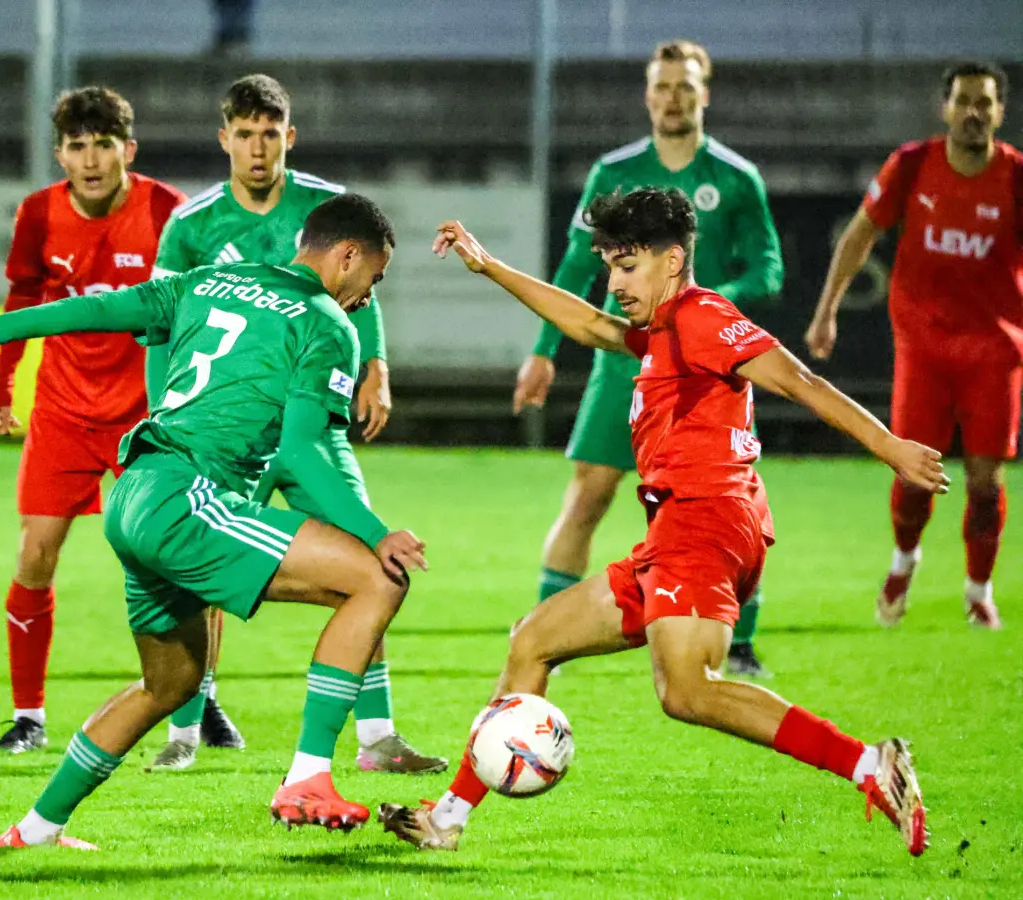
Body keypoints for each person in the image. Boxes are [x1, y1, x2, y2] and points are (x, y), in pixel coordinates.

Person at [378, 188, 942, 858]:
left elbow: (799, 381)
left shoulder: (703, 318)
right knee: (533, 640)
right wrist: (490, 265)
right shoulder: (662, 332)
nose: (615, 283)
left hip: (706, 523)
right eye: (611, 266)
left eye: (628, 266)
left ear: (673, 261)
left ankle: (869, 765)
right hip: (676, 531)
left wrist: (892, 449)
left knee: (686, 690)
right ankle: (446, 820)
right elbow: (587, 324)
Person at [0, 194, 427, 849]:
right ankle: (308, 776)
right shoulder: (325, 325)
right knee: (377, 578)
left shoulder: (207, 281)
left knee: (168, 684)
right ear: (346, 257)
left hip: (136, 495)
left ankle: (34, 830)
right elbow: (302, 454)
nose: (371, 294)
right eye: (376, 275)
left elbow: (93, 308)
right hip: (190, 501)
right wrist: (376, 532)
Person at [144, 72, 442, 774]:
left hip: (311, 418)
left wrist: (377, 367)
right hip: (227, 426)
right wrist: (165, 415)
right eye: (244, 133)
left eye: (269, 133)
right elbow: (163, 329)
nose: (257, 147)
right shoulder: (192, 224)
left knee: (372, 559)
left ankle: (377, 736)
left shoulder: (324, 208)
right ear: (225, 138)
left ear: (289, 137)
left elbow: (360, 298)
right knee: (196, 571)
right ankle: (185, 731)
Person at [514, 40, 784, 676]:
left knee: (725, 495)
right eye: (662, 87)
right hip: (625, 364)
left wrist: (711, 304)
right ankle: (550, 632)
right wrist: (544, 352)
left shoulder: (737, 179)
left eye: (685, 87)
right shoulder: (614, 173)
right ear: (647, 96)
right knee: (588, 496)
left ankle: (739, 644)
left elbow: (768, 267)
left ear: (704, 95)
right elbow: (578, 266)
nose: (672, 98)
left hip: (707, 369)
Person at [0, 86, 187, 754]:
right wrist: (3, 377)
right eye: (78, 145)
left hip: (144, 418)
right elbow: (22, 297)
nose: (92, 158)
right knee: (35, 555)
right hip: (64, 413)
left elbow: (193, 307)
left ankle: (198, 704)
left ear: (128, 150)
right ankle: (29, 718)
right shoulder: (39, 214)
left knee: (174, 560)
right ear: (60, 153)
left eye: (104, 144)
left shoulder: (165, 211)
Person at [807, 60, 1019, 630]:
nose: (975, 112)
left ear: (1001, 111)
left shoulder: (1016, 177)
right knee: (912, 473)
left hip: (994, 354)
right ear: (945, 107)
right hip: (924, 350)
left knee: (984, 482)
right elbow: (859, 235)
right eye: (965, 100)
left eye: (986, 102)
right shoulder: (912, 165)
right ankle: (903, 563)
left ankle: (978, 591)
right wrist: (827, 311)